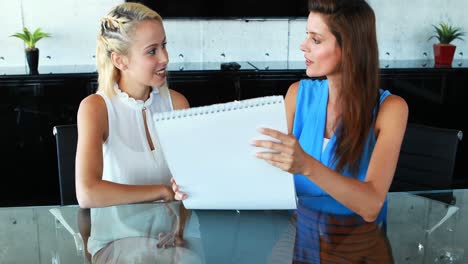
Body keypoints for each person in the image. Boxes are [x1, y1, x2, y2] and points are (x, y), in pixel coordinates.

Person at [173, 0, 408, 223]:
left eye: (316, 40)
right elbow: (261, 171)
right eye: (307, 35)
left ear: (349, 48)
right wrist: (196, 181)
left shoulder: (391, 110)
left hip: (359, 246)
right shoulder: (297, 94)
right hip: (299, 239)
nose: (303, 45)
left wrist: (305, 164)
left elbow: (371, 205)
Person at [75, 2, 189, 208]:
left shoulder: (177, 104)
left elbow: (192, 181)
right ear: (120, 61)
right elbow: (87, 194)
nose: (165, 58)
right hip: (116, 238)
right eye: (152, 51)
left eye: (164, 45)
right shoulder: (95, 108)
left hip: (170, 235)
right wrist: (162, 191)